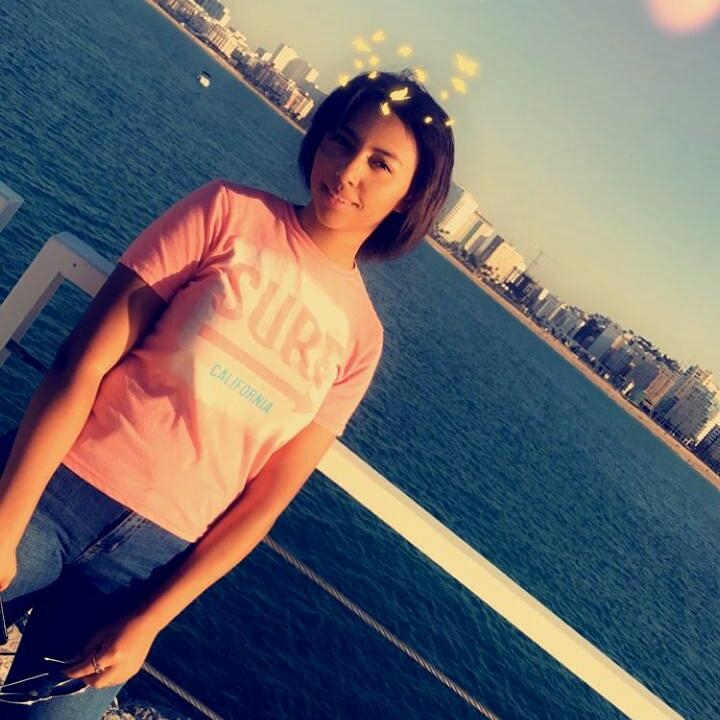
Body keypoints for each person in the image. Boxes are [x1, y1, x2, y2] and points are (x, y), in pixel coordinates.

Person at [0, 70, 454, 718]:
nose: (349, 170)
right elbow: (82, 361)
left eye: (381, 163)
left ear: (410, 197)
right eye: (342, 141)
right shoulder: (228, 213)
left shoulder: (361, 338)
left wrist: (151, 621)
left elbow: (264, 502)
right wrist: (8, 519)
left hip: (145, 567)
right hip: (53, 491)